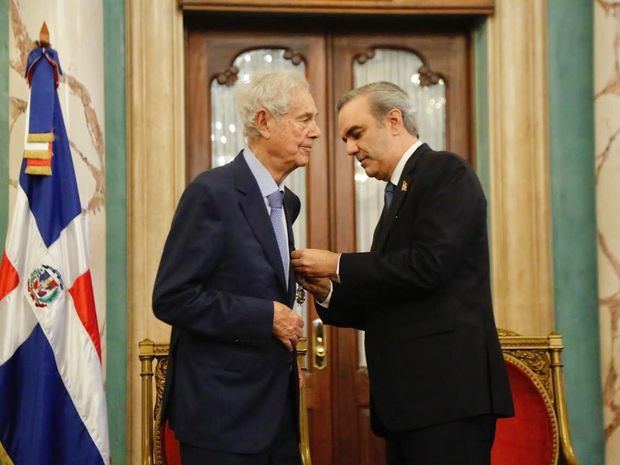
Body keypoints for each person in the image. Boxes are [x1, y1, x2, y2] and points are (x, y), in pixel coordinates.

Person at [291, 81, 514, 465]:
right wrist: (328, 290)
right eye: (345, 138)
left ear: (394, 120)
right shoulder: (398, 193)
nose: (349, 149)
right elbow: (393, 298)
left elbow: (429, 267)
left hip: (447, 398)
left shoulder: (445, 172)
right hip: (410, 403)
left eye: (356, 134)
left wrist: (338, 263)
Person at [152, 69, 320, 465]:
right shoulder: (211, 193)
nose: (315, 132)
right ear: (264, 121)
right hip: (222, 417)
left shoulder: (287, 202)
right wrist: (266, 317)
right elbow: (173, 298)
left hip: (276, 415)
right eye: (304, 119)